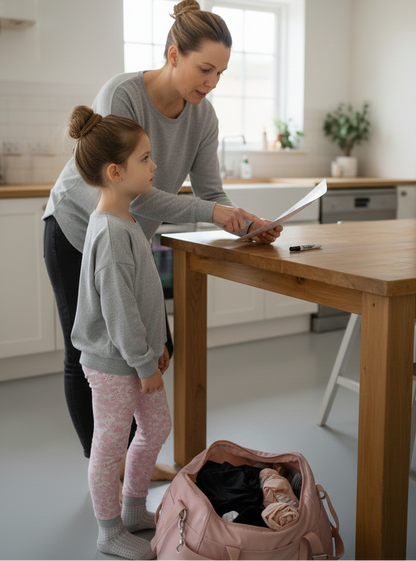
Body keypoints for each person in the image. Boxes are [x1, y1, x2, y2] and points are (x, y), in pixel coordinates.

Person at [43, 0, 283, 473]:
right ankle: (106, 468)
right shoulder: (124, 94)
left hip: (130, 240)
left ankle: (132, 459)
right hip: (78, 230)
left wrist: (245, 222)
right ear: (174, 54)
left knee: (154, 349)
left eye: (221, 73)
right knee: (91, 352)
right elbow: (127, 193)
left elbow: (212, 193)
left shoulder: (204, 117)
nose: (212, 83)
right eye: (205, 69)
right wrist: (215, 211)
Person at [69, 105, 169, 560]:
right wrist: (144, 360)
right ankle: (109, 533)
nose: (155, 166)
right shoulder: (110, 232)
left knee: (157, 425)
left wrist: (156, 347)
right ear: (115, 171)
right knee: (109, 445)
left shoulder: (126, 219)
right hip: (114, 363)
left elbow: (141, 296)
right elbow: (119, 311)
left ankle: (132, 509)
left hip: (138, 356)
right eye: (146, 158)